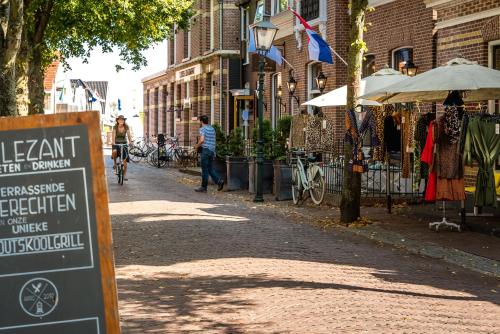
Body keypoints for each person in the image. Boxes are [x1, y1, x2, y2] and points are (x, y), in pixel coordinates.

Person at [194, 115, 224, 192]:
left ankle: (204, 187)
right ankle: (219, 181)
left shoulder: (202, 129)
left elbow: (202, 140)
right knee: (210, 168)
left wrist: (196, 146)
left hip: (206, 150)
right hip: (212, 151)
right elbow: (214, 140)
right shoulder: (212, 129)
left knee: (204, 170)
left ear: (201, 121)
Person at [112, 115, 133, 181]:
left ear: (124, 121)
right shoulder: (115, 127)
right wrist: (113, 142)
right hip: (116, 143)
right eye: (120, 120)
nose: (121, 121)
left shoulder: (126, 127)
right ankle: (115, 163)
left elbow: (129, 135)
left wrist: (130, 141)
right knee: (114, 151)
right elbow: (113, 135)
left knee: (125, 162)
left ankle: (124, 176)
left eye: (122, 120)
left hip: (124, 143)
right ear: (117, 121)